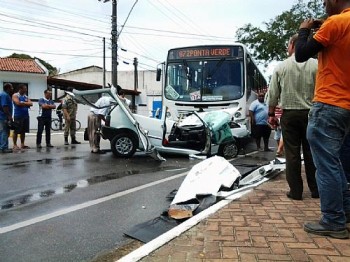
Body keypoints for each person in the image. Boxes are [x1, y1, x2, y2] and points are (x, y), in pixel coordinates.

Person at [295, 0, 350, 239]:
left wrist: (304, 29)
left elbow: (300, 54)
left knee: (325, 166)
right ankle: (345, 211)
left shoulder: (335, 23)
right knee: (335, 163)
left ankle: (333, 220)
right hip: (347, 107)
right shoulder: (339, 24)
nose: (324, 4)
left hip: (329, 103)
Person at [267, 34, 318, 202]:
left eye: (288, 45)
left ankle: (296, 191)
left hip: (289, 115)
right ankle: (316, 189)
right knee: (312, 153)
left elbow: (273, 93)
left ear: (292, 45)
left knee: (292, 155)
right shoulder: (316, 65)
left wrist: (271, 114)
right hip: (311, 114)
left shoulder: (281, 67)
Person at [12, 84, 32, 150]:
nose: (26, 90)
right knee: (16, 131)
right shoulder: (15, 95)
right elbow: (17, 103)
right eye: (25, 88)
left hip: (26, 115)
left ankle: (22, 144)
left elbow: (31, 104)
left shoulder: (26, 96)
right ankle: (14, 145)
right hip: (18, 115)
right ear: (20, 89)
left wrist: (23, 102)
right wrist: (26, 103)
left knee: (23, 131)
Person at [0, 83, 14, 153]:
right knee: (4, 132)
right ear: (8, 88)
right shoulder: (4, 95)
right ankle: (4, 147)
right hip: (3, 117)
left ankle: (2, 146)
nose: (12, 89)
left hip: (2, 116)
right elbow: (4, 106)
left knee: (2, 132)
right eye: (11, 87)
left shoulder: (4, 94)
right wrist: (9, 116)